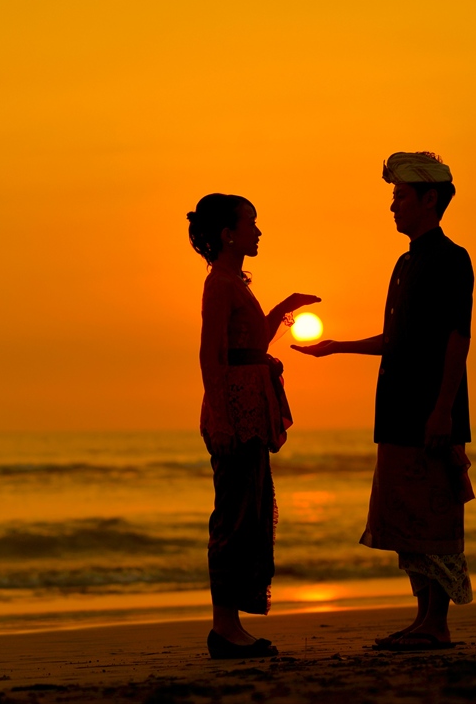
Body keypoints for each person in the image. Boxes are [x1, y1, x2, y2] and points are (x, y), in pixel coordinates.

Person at [292, 151, 475, 651]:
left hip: (431, 410)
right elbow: (397, 339)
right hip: (396, 408)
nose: (393, 206)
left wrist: (443, 410)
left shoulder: (452, 259)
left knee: (433, 514)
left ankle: (437, 623)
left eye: (400, 197)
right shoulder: (406, 261)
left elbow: (458, 337)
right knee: (404, 517)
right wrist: (337, 347)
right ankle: (422, 619)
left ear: (429, 199)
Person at [187, 194, 319, 659]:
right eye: (251, 223)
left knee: (251, 514)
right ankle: (224, 628)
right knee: (234, 517)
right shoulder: (219, 284)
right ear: (228, 234)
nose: (258, 231)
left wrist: (285, 306)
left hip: (249, 413)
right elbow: (211, 355)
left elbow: (253, 340)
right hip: (235, 415)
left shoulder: (234, 283)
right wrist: (222, 419)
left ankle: (232, 625)